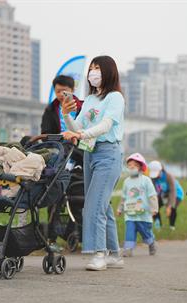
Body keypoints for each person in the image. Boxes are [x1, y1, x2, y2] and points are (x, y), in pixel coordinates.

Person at [62, 55, 125, 271]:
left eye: (97, 68)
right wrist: (66, 115)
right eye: (91, 68)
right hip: (90, 153)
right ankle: (115, 254)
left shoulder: (115, 98)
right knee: (103, 204)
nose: (93, 72)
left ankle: (99, 253)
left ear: (108, 72)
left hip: (108, 154)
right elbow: (77, 125)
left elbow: (106, 125)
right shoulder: (89, 100)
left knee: (94, 205)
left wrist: (81, 135)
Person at [40, 75, 83, 252]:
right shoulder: (50, 110)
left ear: (72, 91)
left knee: (80, 195)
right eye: (58, 91)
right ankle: (50, 237)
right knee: (54, 195)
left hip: (80, 155)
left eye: (64, 91)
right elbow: (45, 134)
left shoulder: (83, 108)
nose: (61, 94)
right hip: (59, 156)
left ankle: (81, 232)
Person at [117, 153, 158, 257]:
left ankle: (151, 242)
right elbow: (124, 197)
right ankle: (128, 249)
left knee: (145, 232)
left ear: (140, 167)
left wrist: (154, 208)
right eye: (129, 165)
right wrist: (120, 208)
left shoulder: (146, 180)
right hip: (130, 213)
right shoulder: (126, 182)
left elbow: (152, 195)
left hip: (143, 214)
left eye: (134, 165)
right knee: (129, 230)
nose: (131, 167)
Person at [148, 160, 183, 230]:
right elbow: (154, 191)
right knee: (155, 207)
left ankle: (172, 226)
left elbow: (173, 191)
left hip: (176, 194)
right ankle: (159, 226)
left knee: (172, 208)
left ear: (161, 170)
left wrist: (169, 206)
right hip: (164, 194)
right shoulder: (153, 178)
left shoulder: (168, 176)